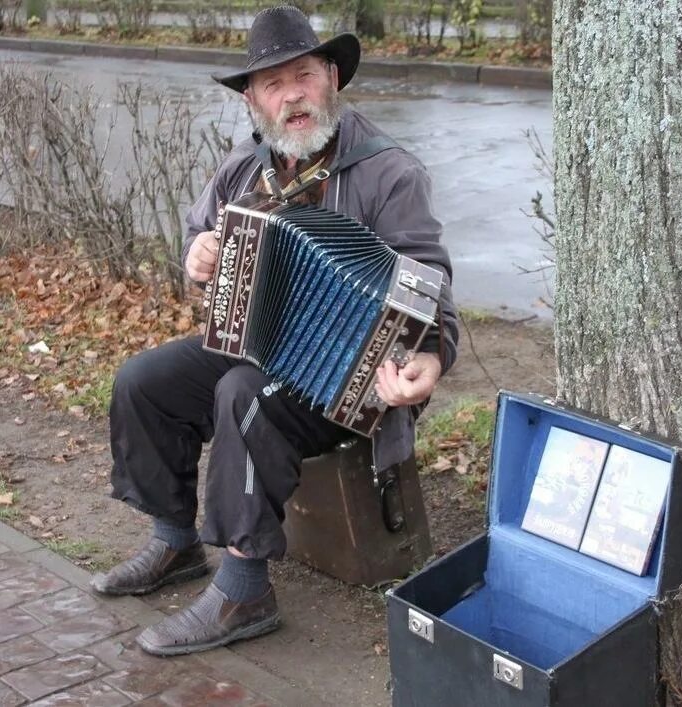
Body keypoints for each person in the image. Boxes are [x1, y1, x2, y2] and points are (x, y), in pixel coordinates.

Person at [90, 4, 459, 657]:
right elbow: (200, 240)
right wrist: (198, 256)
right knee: (144, 382)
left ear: (331, 81)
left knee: (243, 391)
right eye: (272, 83)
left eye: (303, 75)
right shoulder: (243, 167)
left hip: (355, 379)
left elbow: (429, 280)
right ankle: (174, 541)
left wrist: (429, 352)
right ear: (253, 102)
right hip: (262, 347)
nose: (291, 94)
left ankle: (243, 587)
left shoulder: (387, 171)